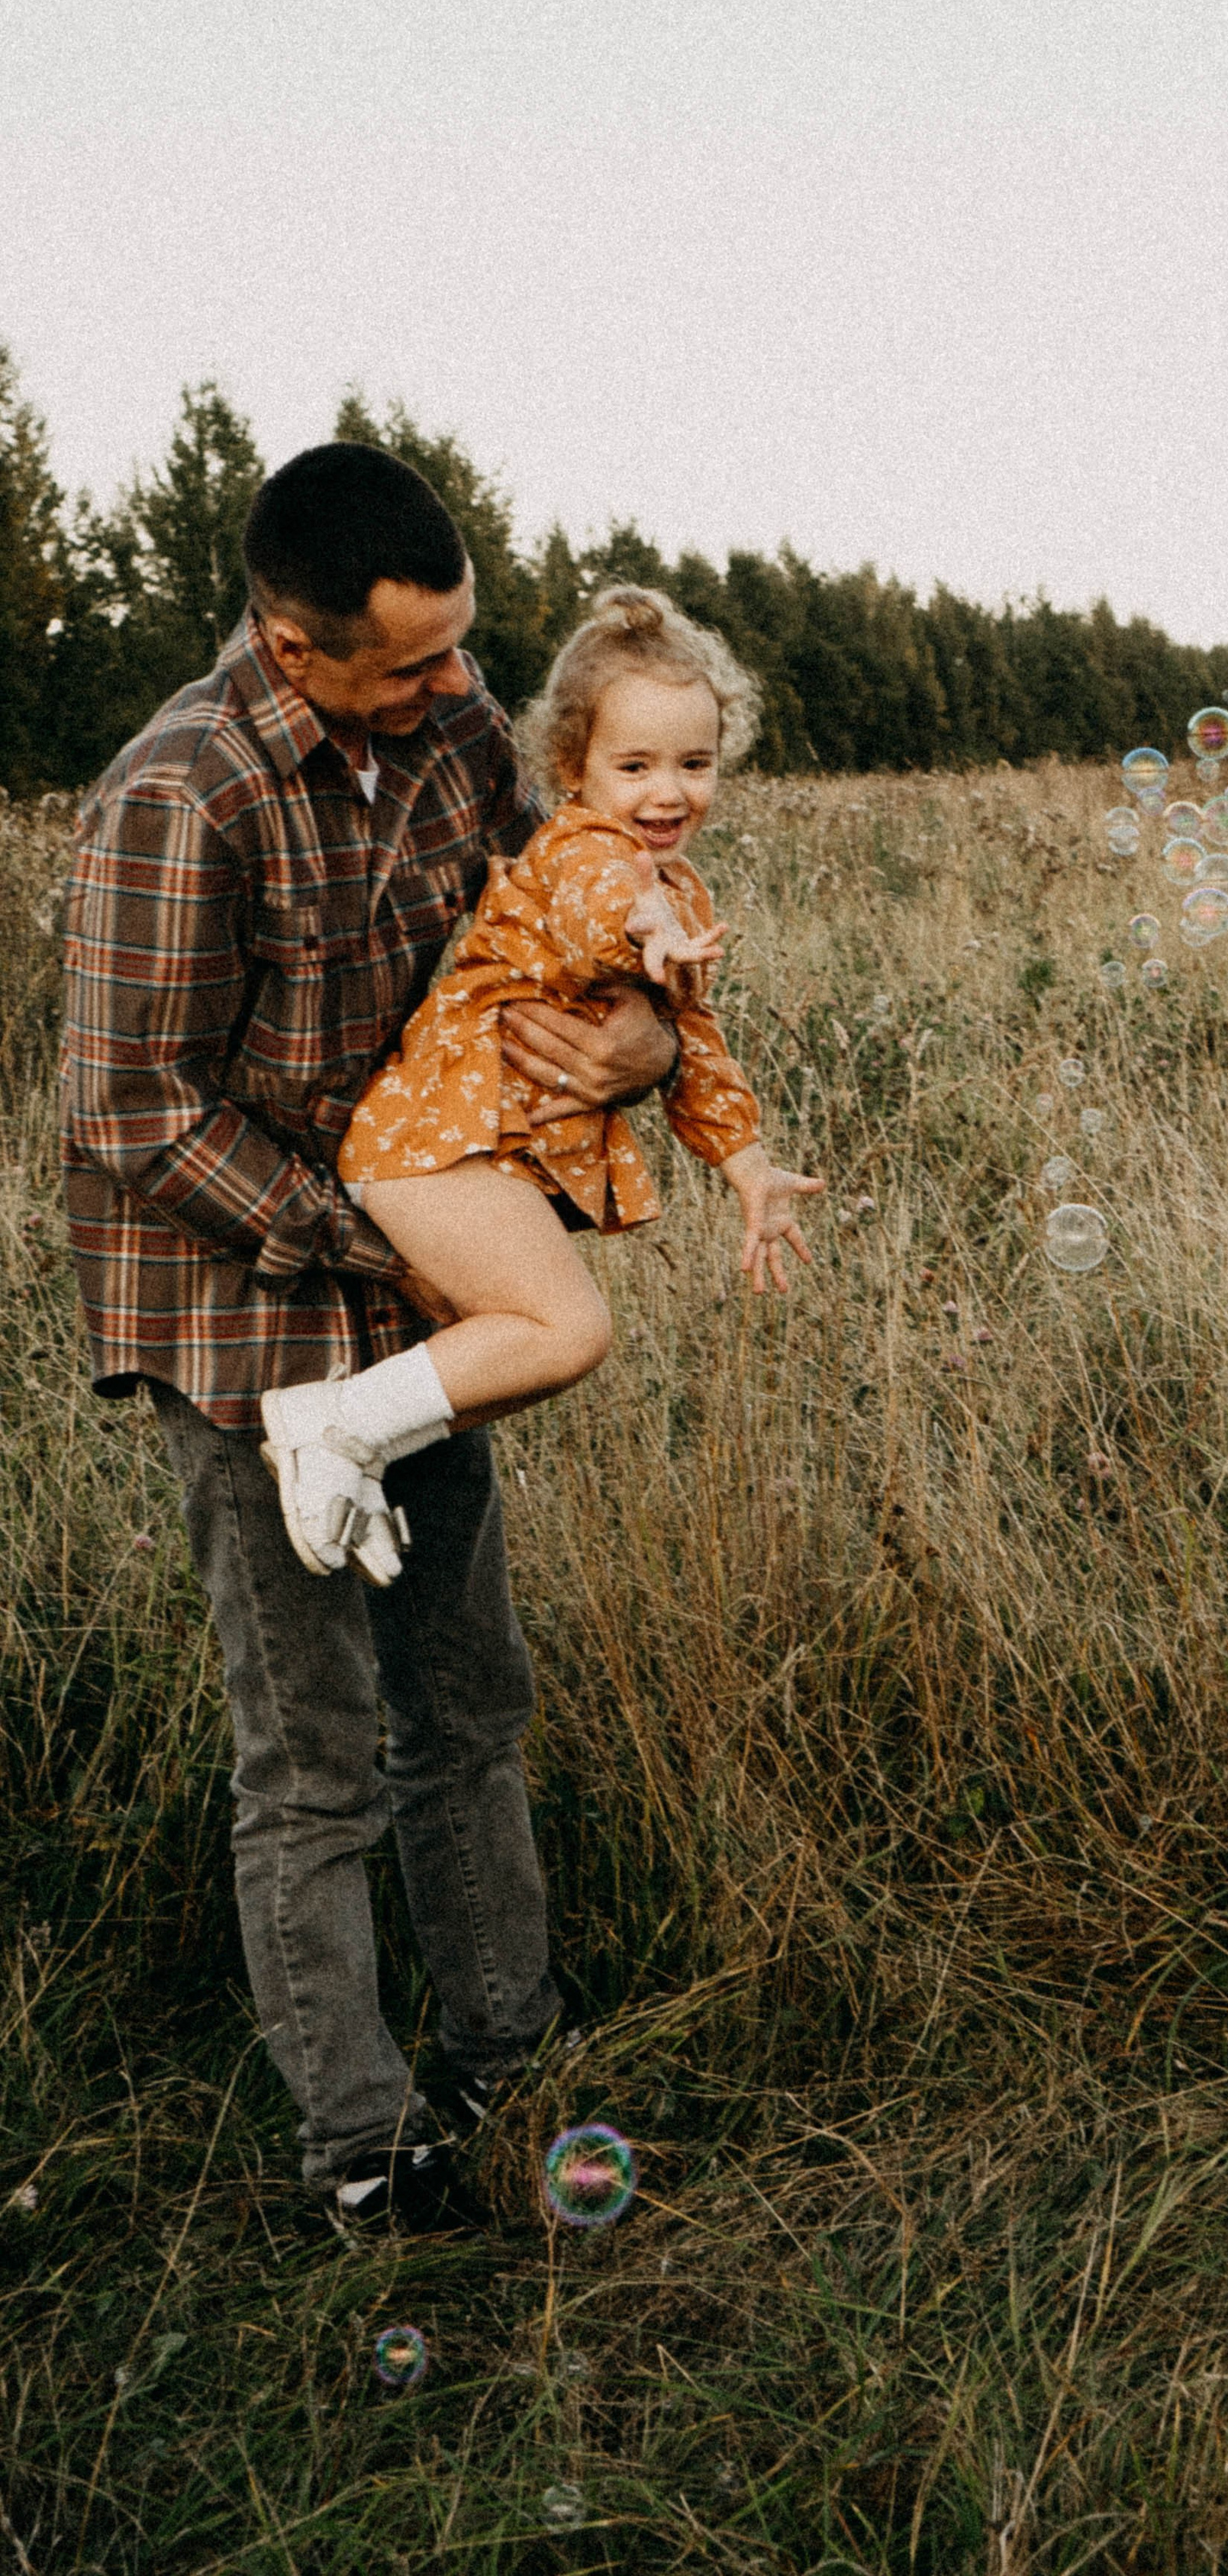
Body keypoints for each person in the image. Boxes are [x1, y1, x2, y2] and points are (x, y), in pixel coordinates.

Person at [61, 442, 679, 2230]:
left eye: (461, 645)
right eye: (411, 663)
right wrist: (374, 1242)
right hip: (243, 1318)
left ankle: (507, 2048)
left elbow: (572, 911)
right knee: (311, 1753)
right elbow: (132, 1107)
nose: (455, 686)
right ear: (291, 640)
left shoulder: (457, 729)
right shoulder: (178, 796)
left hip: (415, 1303)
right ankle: (360, 2144)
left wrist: (640, 1038)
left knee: (466, 1702)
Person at [257, 585, 824, 1582]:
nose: (668, 792)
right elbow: (596, 911)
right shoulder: (584, 851)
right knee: (570, 1330)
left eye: (694, 764)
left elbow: (695, 1046)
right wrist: (645, 927)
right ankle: (329, 1425)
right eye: (635, 765)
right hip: (430, 1146)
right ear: (574, 767)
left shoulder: (677, 889)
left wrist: (750, 1169)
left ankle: (361, 1447)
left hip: (463, 1154)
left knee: (526, 1352)